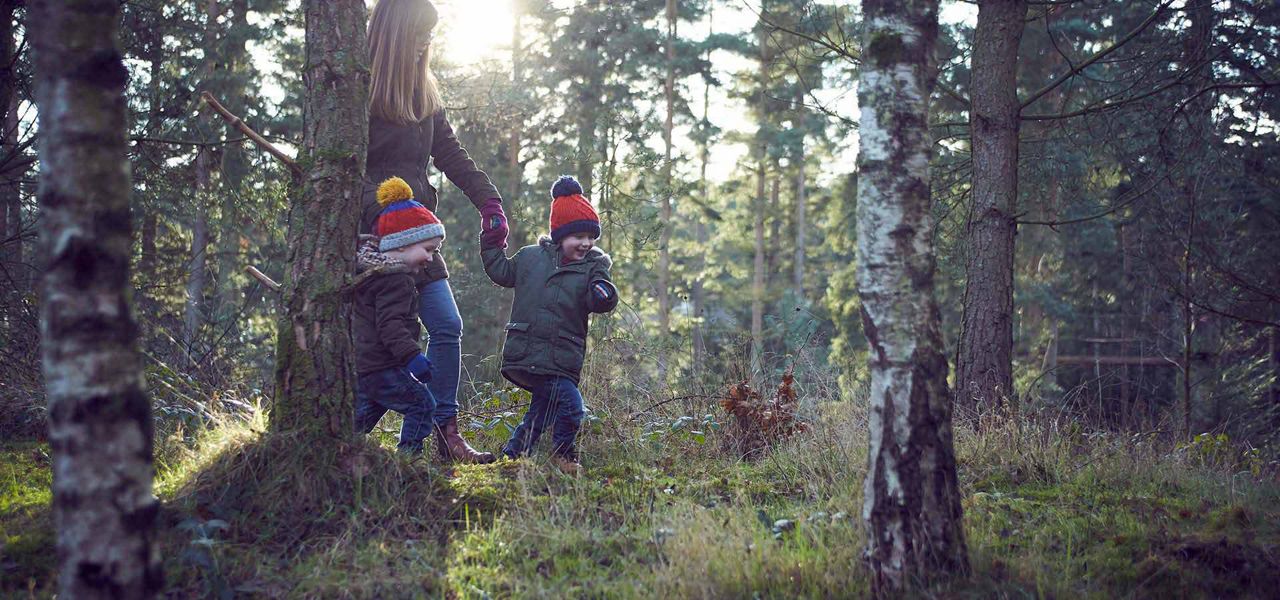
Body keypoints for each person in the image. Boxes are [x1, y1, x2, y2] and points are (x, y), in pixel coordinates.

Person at [362, 0, 506, 463]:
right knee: (381, 339)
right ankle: (356, 433)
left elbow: (452, 154)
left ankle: (447, 433)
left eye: (431, 36)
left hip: (420, 237)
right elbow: (345, 169)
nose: (425, 44)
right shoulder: (359, 89)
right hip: (377, 242)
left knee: (447, 325)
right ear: (393, 33)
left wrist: (489, 200)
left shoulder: (425, 95)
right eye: (418, 34)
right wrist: (380, 209)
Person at [480, 176, 619, 475]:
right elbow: (501, 271)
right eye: (578, 236)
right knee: (571, 407)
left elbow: (601, 297)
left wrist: (604, 294)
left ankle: (514, 455)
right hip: (529, 351)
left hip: (561, 357)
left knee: (541, 413)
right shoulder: (531, 258)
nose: (585, 243)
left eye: (590, 236)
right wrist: (492, 241)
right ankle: (563, 455)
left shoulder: (593, 267)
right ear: (560, 235)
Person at [352, 177, 448, 455]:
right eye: (428, 250)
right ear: (403, 244)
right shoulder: (395, 280)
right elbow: (390, 325)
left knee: (363, 415)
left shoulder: (375, 273)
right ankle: (409, 458)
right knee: (422, 405)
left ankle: (342, 450)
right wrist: (412, 357)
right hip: (382, 365)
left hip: (367, 364)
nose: (430, 258)